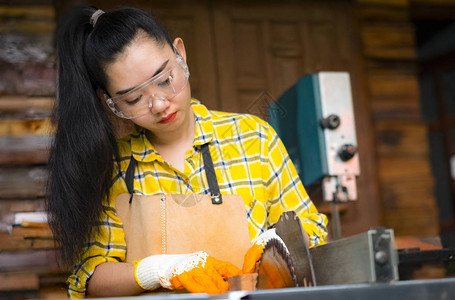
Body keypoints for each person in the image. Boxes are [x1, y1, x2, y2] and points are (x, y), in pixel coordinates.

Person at [47, 5, 328, 299]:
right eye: (133, 98)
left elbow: (312, 228)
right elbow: (90, 279)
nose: (158, 104)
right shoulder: (114, 167)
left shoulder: (254, 138)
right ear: (109, 101)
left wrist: (275, 242)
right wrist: (160, 270)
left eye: (164, 80)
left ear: (180, 54)